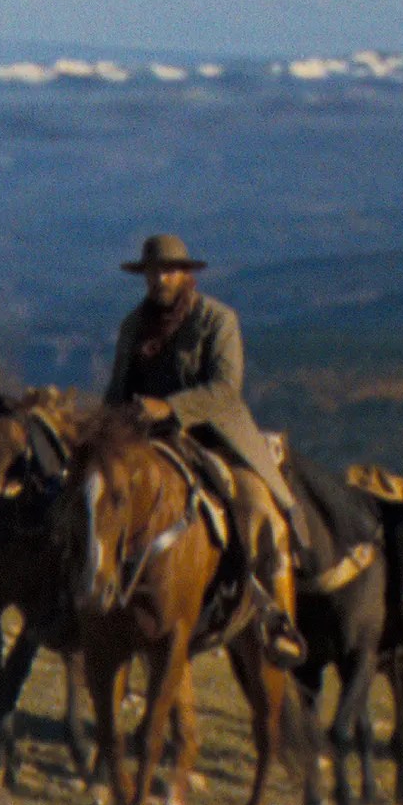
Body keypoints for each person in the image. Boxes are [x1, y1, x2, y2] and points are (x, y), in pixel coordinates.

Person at [104, 233, 308, 662]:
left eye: (169, 270)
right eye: (153, 272)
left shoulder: (217, 320)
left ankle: (279, 623)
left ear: (186, 275)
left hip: (217, 441)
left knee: (260, 512)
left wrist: (169, 407)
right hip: (149, 444)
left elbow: (224, 391)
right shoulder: (132, 326)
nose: (160, 278)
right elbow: (117, 392)